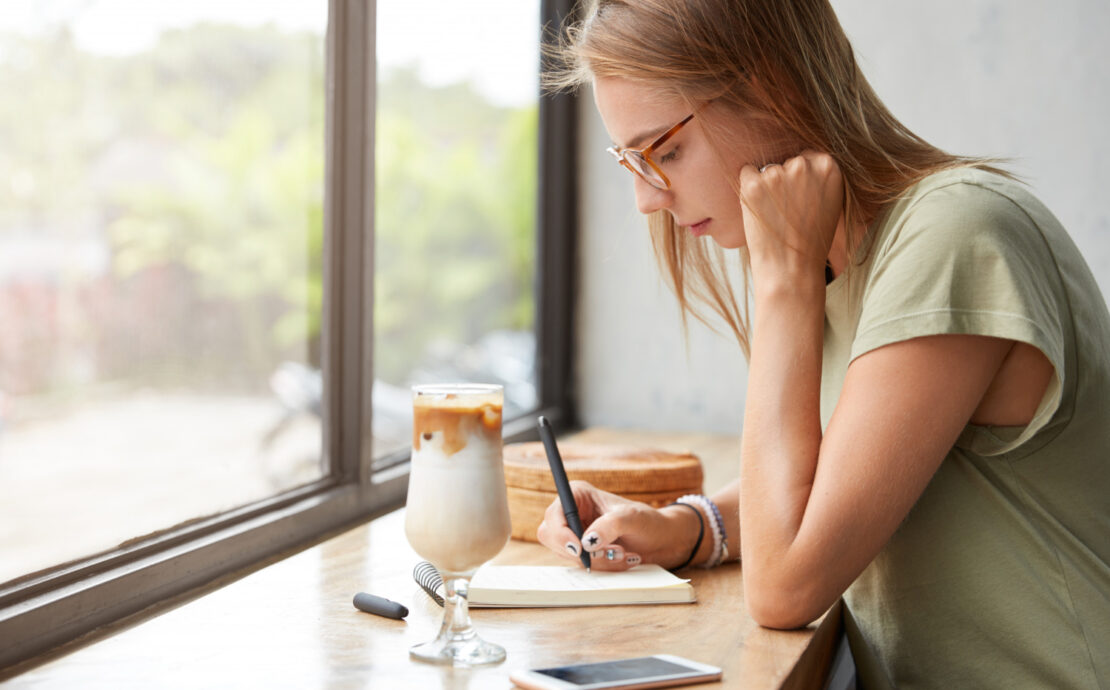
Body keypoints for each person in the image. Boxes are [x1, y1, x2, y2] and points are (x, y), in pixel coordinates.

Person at [534, 1, 1110, 687]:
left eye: (664, 152)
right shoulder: (845, 257)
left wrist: (785, 284)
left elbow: (786, 587)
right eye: (628, 159)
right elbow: (840, 484)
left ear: (771, 87)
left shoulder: (954, 236)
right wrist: (688, 527)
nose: (646, 200)